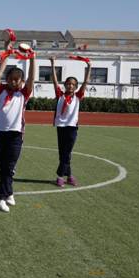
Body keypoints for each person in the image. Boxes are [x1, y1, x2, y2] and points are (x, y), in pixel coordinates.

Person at [0, 43, 36, 213]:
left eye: (17, 79)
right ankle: (9, 191)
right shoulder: (1, 90)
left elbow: (32, 78)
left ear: (22, 81)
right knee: (4, 167)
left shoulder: (23, 93)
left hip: (16, 135)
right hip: (0, 134)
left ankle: (0, 197)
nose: (13, 81)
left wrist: (32, 59)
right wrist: (6, 52)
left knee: (9, 167)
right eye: (11, 78)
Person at [49, 56, 92, 187]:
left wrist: (89, 67)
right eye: (68, 84)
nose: (71, 86)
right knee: (63, 152)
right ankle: (69, 176)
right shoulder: (60, 95)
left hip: (72, 127)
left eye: (73, 84)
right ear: (65, 85)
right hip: (61, 127)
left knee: (67, 152)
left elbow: (86, 82)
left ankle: (60, 176)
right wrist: (53, 63)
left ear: (76, 87)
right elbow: (54, 80)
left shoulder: (78, 96)